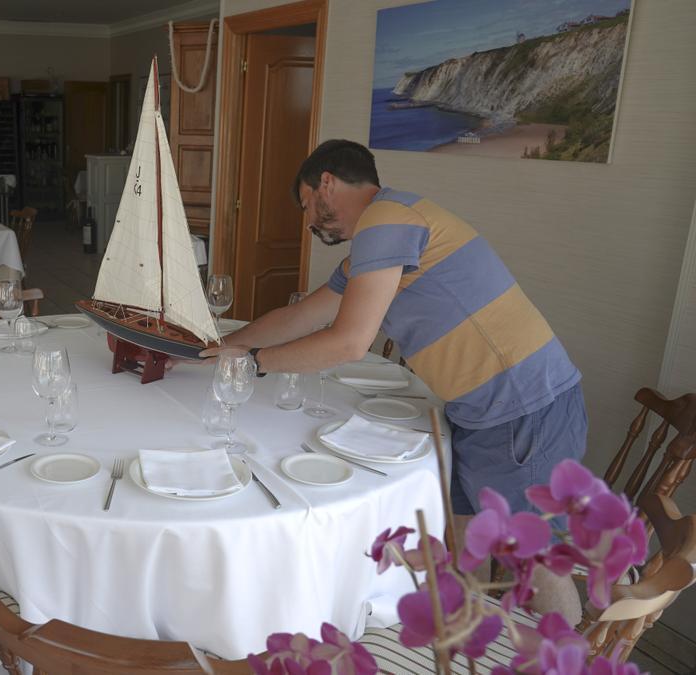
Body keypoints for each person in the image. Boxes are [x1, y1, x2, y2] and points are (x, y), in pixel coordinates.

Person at [202, 139, 586, 621]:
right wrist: (227, 348)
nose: (310, 222)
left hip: (523, 408)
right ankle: (471, 643)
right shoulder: (382, 236)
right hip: (482, 413)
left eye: (308, 206)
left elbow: (347, 343)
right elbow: (303, 315)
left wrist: (256, 362)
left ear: (327, 183)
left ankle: (573, 655)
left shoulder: (387, 220)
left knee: (539, 561)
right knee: (468, 543)